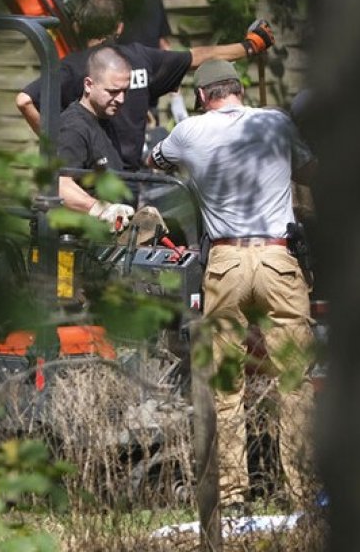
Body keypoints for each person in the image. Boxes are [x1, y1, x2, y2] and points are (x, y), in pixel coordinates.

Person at [147, 58, 317, 509]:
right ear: (239, 89)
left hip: (225, 263)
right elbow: (309, 173)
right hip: (279, 259)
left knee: (226, 385)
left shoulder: (188, 131)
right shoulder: (276, 123)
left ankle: (232, 493)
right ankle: (301, 493)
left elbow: (154, 160)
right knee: (294, 381)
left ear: (204, 96)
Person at [15, 0, 274, 177]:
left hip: (89, 179)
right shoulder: (140, 58)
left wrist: (56, 142)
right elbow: (197, 56)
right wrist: (250, 46)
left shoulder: (70, 67)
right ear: (119, 27)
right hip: (131, 178)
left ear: (77, 26)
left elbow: (25, 100)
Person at [54, 46, 136, 228]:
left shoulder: (104, 119)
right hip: (78, 238)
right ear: (88, 85)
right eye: (113, 91)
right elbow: (59, 185)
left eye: (125, 91)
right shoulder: (73, 128)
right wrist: (101, 210)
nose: (121, 99)